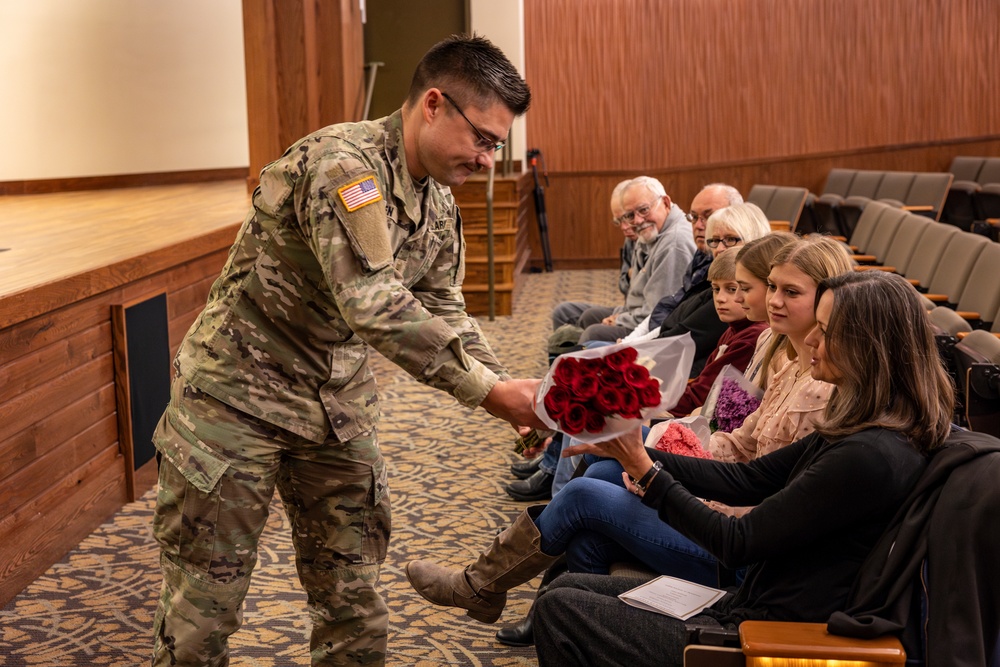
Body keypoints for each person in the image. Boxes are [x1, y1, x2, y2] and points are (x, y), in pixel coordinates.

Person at [149, 34, 544, 667]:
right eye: (484, 139)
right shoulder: (345, 165)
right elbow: (373, 302)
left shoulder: (438, 200)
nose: (491, 160)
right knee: (204, 611)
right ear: (435, 104)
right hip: (234, 401)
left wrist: (513, 392)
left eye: (498, 145)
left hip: (335, 406)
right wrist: (489, 395)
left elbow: (442, 305)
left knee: (353, 595)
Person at [403, 234, 854, 647]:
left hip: (741, 552)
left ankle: (481, 585)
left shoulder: (819, 388)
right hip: (728, 506)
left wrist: (659, 472)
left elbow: (768, 500)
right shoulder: (791, 358)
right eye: (771, 287)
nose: (773, 300)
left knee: (585, 493)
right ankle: (559, 626)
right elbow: (741, 448)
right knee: (593, 507)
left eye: (789, 292)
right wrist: (659, 453)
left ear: (831, 300)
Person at [532, 270, 955, 667]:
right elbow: (748, 479)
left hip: (765, 632)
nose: (812, 343)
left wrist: (645, 469)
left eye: (825, 333)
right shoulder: (865, 424)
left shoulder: (869, 455)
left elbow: (736, 542)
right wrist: (632, 454)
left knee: (562, 608)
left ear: (868, 347)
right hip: (753, 603)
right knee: (567, 588)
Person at [555, 177, 696, 343]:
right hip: (636, 312)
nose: (636, 221)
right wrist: (622, 315)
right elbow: (631, 291)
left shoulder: (674, 244)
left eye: (643, 210)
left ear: (665, 202)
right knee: (579, 315)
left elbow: (660, 313)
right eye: (629, 215)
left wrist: (620, 320)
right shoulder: (651, 231)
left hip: (655, 328)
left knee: (593, 334)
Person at [624, 184, 744, 341]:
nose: (699, 226)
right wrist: (632, 341)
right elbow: (672, 304)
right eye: (694, 217)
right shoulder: (702, 256)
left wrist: (632, 345)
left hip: (671, 346)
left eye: (707, 216)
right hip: (658, 333)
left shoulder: (724, 276)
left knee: (594, 338)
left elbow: (686, 333)